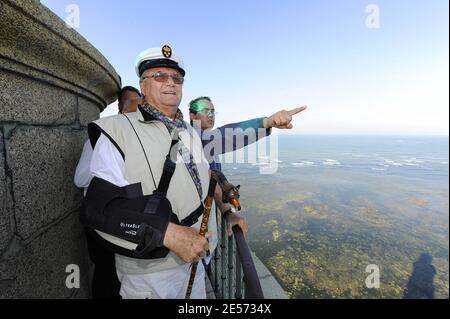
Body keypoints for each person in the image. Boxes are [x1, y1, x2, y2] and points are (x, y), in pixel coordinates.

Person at [80, 45, 306, 299]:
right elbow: (98, 209)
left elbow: (207, 179)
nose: (170, 83)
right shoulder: (115, 132)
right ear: (142, 85)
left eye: (177, 78)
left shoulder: (189, 132)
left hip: (197, 263)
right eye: (159, 76)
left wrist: (227, 211)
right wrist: (167, 233)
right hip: (151, 275)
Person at [74, 86, 141, 299]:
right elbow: (80, 179)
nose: (135, 108)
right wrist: (108, 163)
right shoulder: (102, 138)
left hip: (127, 222)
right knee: (107, 277)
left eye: (138, 103)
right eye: (130, 103)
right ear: (120, 108)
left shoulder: (139, 139)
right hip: (102, 223)